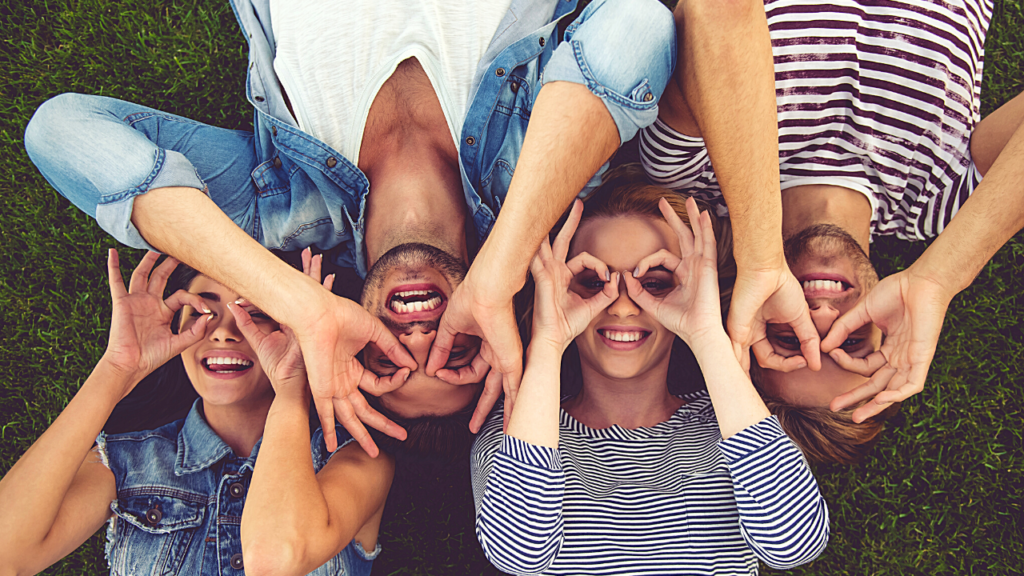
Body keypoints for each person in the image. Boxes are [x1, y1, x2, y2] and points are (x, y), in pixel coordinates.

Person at [23, 0, 677, 456]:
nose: (420, 338)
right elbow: (637, 29)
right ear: (494, 333)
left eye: (386, 357)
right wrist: (501, 268)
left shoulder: (279, 206)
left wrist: (302, 307)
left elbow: (62, 132)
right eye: (455, 353)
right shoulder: (536, 177)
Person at [642, 0, 1024, 463]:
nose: (822, 315)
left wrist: (760, 256)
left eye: (791, 337)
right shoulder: (941, 203)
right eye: (852, 337)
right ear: (886, 331)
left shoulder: (695, 173)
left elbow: (713, 12)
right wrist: (940, 278)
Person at [471, 174, 829, 575]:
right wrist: (548, 339)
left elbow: (795, 543)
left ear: (692, 289)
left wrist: (707, 332)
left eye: (654, 283)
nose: (622, 306)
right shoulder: (518, 433)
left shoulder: (729, 425)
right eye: (592, 283)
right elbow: (518, 553)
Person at [0, 250, 393, 576]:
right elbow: (8, 556)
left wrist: (294, 388)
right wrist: (117, 370)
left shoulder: (354, 457)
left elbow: (279, 558)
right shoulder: (128, 465)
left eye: (255, 312)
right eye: (204, 310)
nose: (223, 331)